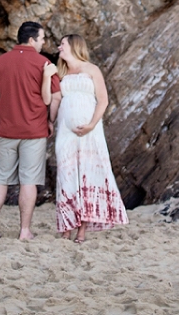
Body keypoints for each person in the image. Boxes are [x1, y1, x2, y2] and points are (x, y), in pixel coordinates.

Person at [44, 33, 128, 243]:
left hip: (90, 132)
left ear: (74, 46)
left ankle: (81, 230)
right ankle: (66, 227)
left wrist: (91, 124)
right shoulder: (60, 72)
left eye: (62, 44)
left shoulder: (92, 69)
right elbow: (53, 100)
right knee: (66, 174)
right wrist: (50, 121)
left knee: (87, 175)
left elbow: (103, 100)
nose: (59, 47)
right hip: (66, 131)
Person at [0, 21, 61, 241]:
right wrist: (51, 121)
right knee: (28, 181)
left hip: (6, 131)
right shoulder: (43, 63)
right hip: (34, 131)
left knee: (0, 179)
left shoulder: (1, 62)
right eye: (42, 38)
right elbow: (55, 97)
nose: (44, 42)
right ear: (31, 39)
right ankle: (24, 230)